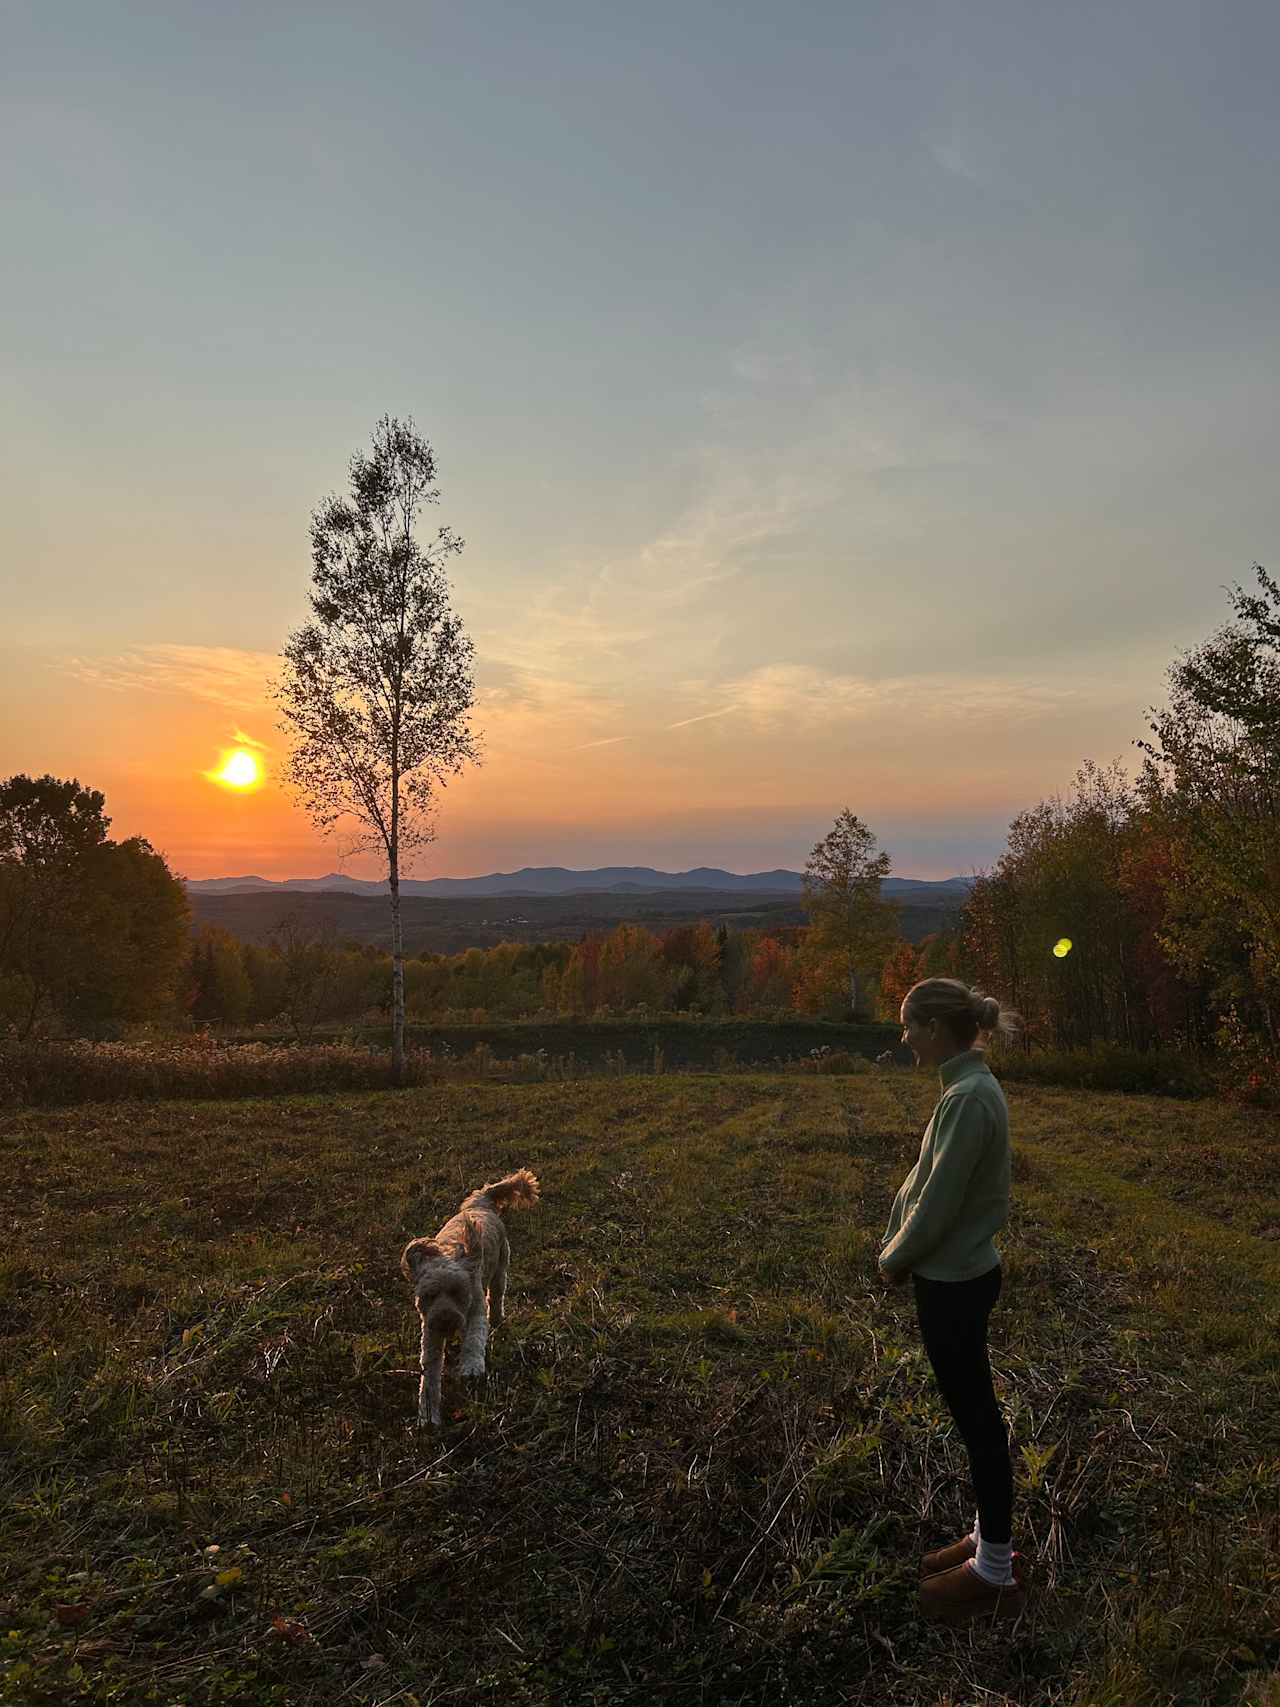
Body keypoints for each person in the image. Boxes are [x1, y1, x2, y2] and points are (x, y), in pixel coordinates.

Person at [877, 977, 1030, 1625]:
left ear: (937, 1028)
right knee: (977, 1416)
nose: (904, 1036)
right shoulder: (967, 1089)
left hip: (953, 1282)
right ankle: (984, 1539)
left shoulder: (967, 1098)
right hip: (960, 1276)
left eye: (910, 1024)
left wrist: (894, 1258)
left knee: (978, 1421)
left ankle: (992, 1570)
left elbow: (937, 1202)